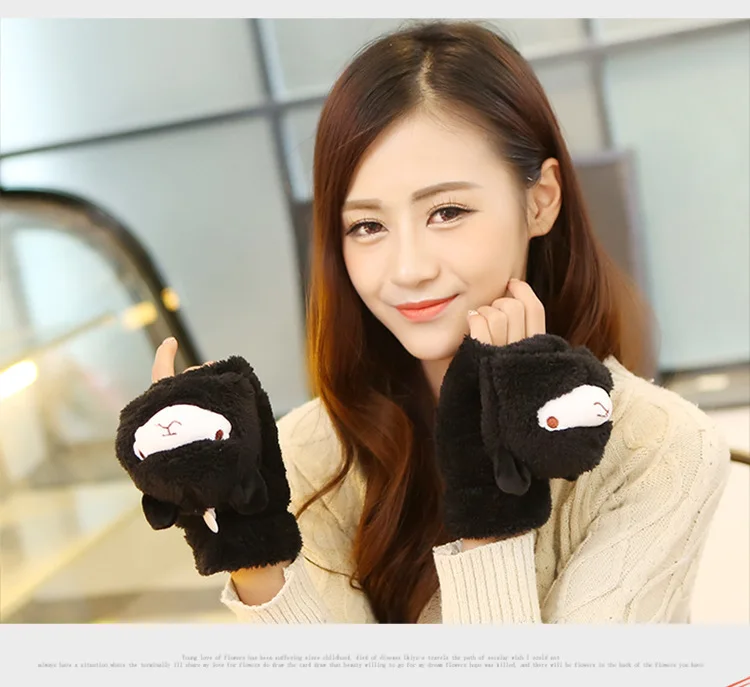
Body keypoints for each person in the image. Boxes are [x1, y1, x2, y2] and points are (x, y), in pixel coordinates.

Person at [117, 20, 731, 624]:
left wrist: (490, 503)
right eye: (368, 226)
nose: (408, 269)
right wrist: (249, 543)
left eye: (448, 211)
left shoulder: (659, 448)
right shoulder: (310, 454)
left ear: (540, 200)